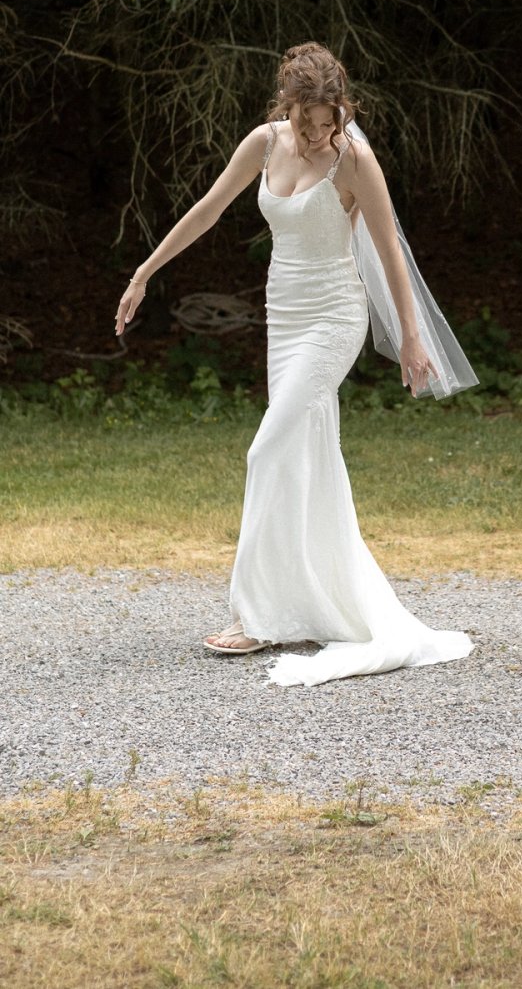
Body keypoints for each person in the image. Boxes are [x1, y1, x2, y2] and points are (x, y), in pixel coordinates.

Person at [115, 42, 476, 687]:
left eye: (328, 120)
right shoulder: (262, 143)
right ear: (287, 107)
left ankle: (255, 616)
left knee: (267, 451)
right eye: (307, 122)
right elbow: (208, 210)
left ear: (343, 108)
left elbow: (391, 253)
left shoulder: (354, 159)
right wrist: (144, 273)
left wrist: (412, 338)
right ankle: (313, 603)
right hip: (283, 316)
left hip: (336, 317)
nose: (317, 134)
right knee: (307, 453)